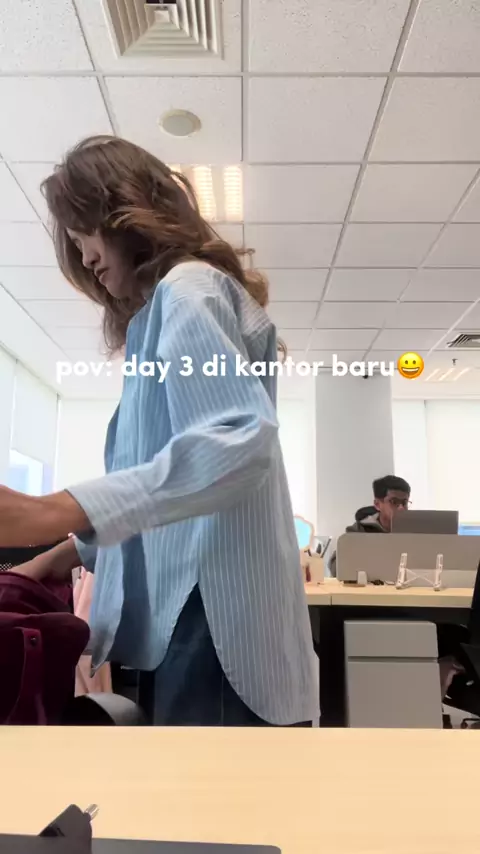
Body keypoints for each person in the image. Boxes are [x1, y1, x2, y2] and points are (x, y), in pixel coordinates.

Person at [0, 135, 318, 727]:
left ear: (122, 212)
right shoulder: (161, 318)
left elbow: (235, 444)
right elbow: (163, 500)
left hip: (212, 624)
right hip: (185, 622)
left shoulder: (188, 288)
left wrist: (50, 511)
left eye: (84, 233)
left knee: (209, 791)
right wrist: (57, 556)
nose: (84, 257)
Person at [328, 475, 410, 576]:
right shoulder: (360, 530)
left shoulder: (414, 530)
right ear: (377, 504)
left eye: (404, 503)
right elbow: (336, 567)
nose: (401, 508)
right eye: (394, 502)